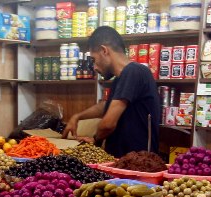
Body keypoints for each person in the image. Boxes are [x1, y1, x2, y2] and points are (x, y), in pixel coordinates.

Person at [62, 26, 161, 158]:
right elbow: (106, 106)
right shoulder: (122, 77)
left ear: (104, 51)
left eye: (94, 60)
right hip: (124, 160)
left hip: (137, 162)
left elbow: (108, 124)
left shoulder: (133, 72)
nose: (94, 67)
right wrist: (77, 116)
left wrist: (95, 141)